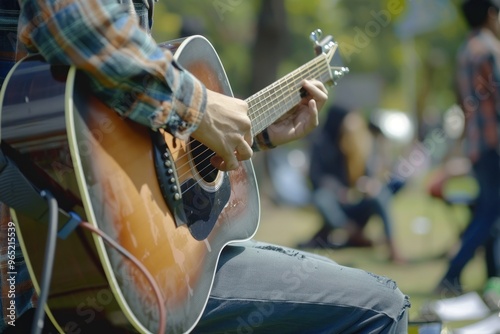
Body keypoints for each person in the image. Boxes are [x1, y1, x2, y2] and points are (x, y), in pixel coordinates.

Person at [0, 0, 410, 332]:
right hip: (46, 277)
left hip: (91, 271)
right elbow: (75, 24)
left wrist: (252, 133)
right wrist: (200, 109)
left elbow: (121, 137)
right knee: (381, 308)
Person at [435, 0, 500, 296]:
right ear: (490, 14)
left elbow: (462, 102)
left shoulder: (464, 50)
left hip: (477, 144)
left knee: (489, 210)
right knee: (489, 212)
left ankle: (492, 276)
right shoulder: (490, 49)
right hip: (494, 142)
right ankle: (452, 274)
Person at [299, 105, 405, 263]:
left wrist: (368, 185)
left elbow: (366, 174)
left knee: (380, 194)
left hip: (356, 202)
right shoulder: (320, 145)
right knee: (322, 198)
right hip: (336, 204)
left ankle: (392, 247)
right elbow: (317, 178)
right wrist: (339, 191)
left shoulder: (355, 142)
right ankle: (356, 236)